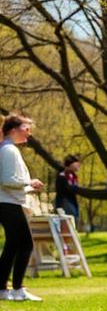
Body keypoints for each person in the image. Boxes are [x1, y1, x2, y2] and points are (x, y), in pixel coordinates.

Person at [0, 113, 44, 301]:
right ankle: (17, 289)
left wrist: (26, 186)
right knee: (26, 243)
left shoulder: (8, 149)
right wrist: (30, 183)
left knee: (13, 245)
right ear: (14, 130)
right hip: (8, 202)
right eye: (26, 128)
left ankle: (3, 289)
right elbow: (7, 181)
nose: (29, 133)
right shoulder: (9, 150)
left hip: (9, 201)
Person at [55, 154, 80, 223]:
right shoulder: (63, 176)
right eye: (76, 163)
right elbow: (67, 189)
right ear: (70, 164)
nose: (78, 165)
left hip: (72, 201)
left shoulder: (73, 176)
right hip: (65, 202)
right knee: (69, 222)